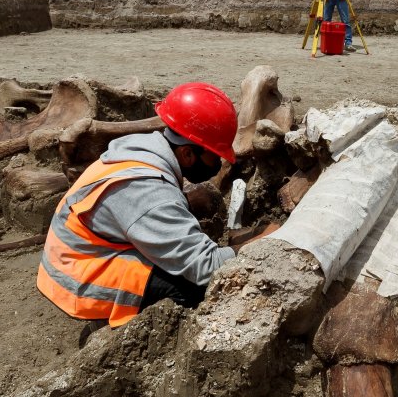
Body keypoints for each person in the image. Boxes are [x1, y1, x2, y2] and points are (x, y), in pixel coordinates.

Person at [38, 82, 269, 332]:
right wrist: (261, 243)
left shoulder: (141, 150)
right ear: (187, 154)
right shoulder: (149, 192)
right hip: (75, 276)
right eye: (215, 155)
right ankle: (113, 331)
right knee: (196, 289)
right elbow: (208, 267)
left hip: (81, 251)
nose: (220, 162)